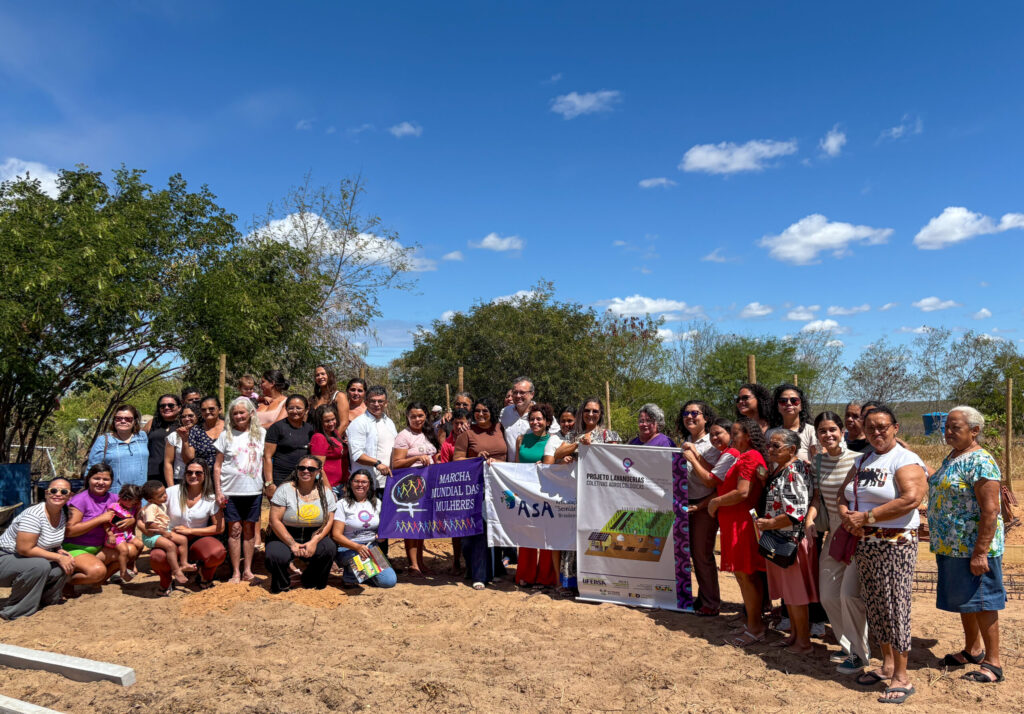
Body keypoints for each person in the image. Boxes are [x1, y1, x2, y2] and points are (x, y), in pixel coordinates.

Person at [838, 405, 926, 704]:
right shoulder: (864, 459)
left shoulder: (905, 458)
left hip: (895, 545)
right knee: (876, 605)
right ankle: (887, 664)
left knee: (895, 607)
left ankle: (902, 676)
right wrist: (848, 517)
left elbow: (912, 498)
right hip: (866, 544)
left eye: (883, 426)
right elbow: (843, 494)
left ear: (896, 428)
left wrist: (867, 517)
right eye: (871, 427)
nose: (877, 432)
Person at [928, 406, 1006, 683]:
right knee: (967, 602)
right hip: (953, 547)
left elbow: (990, 510)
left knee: (984, 602)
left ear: (975, 431)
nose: (948, 432)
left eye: (955, 428)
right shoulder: (954, 457)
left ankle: (993, 663)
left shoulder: (982, 461)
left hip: (974, 548)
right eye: (946, 427)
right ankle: (973, 650)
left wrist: (980, 552)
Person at [811, 410, 870, 674]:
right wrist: (810, 521)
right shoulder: (818, 462)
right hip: (834, 534)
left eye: (832, 429)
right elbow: (816, 499)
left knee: (849, 596)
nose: (828, 435)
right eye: (822, 431)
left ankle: (858, 653)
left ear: (842, 431)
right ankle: (849, 644)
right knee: (828, 595)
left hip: (856, 534)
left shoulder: (859, 460)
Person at [756, 429, 818, 654]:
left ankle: (803, 642)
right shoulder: (786, 468)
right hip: (783, 538)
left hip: (790, 539)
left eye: (775, 446)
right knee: (790, 595)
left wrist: (768, 524)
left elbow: (796, 513)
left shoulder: (793, 471)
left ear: (792, 449)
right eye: (769, 445)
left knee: (795, 594)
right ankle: (794, 635)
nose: (769, 449)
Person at [707, 418, 768, 645]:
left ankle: (755, 626)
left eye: (736, 433)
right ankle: (752, 622)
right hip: (736, 521)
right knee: (744, 576)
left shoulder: (751, 456)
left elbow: (743, 492)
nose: (732, 437)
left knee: (746, 575)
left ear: (748, 436)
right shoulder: (744, 456)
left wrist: (716, 502)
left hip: (742, 523)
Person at [0, 478, 74, 620]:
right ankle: (15, 611)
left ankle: (45, 602)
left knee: (61, 566)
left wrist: (59, 550)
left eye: (63, 491)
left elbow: (48, 538)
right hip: (5, 557)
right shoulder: (34, 515)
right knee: (40, 565)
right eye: (53, 490)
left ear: (69, 496)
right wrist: (58, 557)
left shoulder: (62, 513)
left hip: (22, 559)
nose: (58, 494)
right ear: (46, 493)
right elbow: (24, 549)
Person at [149, 459, 226, 591]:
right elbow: (149, 510)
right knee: (157, 556)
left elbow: (219, 527)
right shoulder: (171, 492)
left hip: (198, 540)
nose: (193, 476)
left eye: (198, 473)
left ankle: (204, 574)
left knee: (217, 552)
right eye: (189, 472)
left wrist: (190, 531)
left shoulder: (211, 497)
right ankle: (166, 579)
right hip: (172, 539)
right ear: (184, 474)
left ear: (205, 475)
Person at [455, 396, 508, 589]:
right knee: (478, 532)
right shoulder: (467, 434)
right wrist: (475, 459)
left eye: (485, 410)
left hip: (500, 486)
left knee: (496, 529)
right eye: (477, 411)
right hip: (476, 488)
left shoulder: (500, 429)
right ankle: (479, 574)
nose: (480, 414)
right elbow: (457, 459)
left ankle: (496, 570)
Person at [676, 400, 722, 617]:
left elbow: (713, 479)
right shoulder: (684, 441)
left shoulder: (712, 444)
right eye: (686, 413)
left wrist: (694, 456)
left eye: (695, 413)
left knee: (702, 554)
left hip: (704, 504)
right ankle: (703, 597)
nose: (690, 417)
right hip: (685, 504)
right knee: (692, 553)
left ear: (705, 418)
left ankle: (711, 603)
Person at [214, 397, 267, 583]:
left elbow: (267, 461)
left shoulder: (261, 434)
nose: (238, 416)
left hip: (253, 491)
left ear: (251, 413)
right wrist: (218, 491)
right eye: (235, 413)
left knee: (249, 530)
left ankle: (248, 570)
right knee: (234, 530)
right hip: (230, 491)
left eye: (242, 412)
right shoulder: (226, 435)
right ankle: (235, 571)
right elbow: (217, 466)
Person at [266, 456, 338, 593]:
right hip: (285, 534)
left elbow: (329, 521)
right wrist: (292, 543)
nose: (306, 471)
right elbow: (274, 520)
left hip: (314, 533)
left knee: (328, 549)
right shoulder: (285, 490)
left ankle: (310, 580)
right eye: (302, 468)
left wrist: (314, 541)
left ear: (318, 472)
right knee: (275, 554)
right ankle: (283, 583)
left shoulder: (326, 492)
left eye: (311, 469)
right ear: (297, 470)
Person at [391, 401, 441, 577]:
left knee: (421, 524)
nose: (417, 419)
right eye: (413, 416)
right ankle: (413, 564)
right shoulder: (403, 436)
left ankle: (420, 562)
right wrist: (416, 459)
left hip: (428, 483)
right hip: (411, 485)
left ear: (426, 415)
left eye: (420, 415)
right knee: (412, 523)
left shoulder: (429, 433)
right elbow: (396, 464)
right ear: (407, 417)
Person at [62, 464, 130, 592]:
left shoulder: (114, 498)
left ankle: (99, 580)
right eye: (96, 478)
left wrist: (131, 519)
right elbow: (69, 531)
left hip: (100, 547)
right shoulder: (80, 500)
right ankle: (67, 583)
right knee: (97, 571)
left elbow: (130, 511)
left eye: (105, 479)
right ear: (88, 479)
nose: (101, 482)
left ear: (111, 482)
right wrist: (100, 519)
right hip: (76, 548)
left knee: (130, 550)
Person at [513, 403, 559, 588]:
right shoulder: (520, 439)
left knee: (547, 536)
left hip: (546, 493)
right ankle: (526, 575)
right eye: (532, 419)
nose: (535, 422)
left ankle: (545, 578)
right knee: (527, 535)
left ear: (547, 421)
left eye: (539, 419)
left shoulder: (554, 441)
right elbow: (516, 466)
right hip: (525, 493)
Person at [332, 469, 397, 588]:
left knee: (389, 581)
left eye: (364, 482)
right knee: (357, 558)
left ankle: (360, 575)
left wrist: (381, 535)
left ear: (369, 484)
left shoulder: (377, 502)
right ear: (350, 483)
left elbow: (382, 528)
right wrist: (357, 547)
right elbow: (336, 535)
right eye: (356, 481)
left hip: (372, 547)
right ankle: (350, 577)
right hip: (348, 549)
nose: (360, 485)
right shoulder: (342, 504)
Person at [139, 480, 195, 589]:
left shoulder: (161, 504)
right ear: (150, 500)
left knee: (183, 539)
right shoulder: (151, 508)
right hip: (151, 536)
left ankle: (184, 563)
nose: (165, 496)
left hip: (162, 532)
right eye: (161, 496)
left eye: (164, 493)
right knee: (170, 546)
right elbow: (149, 526)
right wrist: (163, 532)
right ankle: (176, 571)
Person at [86, 404, 149, 492]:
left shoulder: (142, 436)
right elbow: (92, 469)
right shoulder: (104, 440)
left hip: (140, 493)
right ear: (114, 420)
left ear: (135, 421)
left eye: (128, 419)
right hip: (114, 494)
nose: (123, 421)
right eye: (118, 418)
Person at [500, 377, 560, 462]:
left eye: (522, 392)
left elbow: (558, 438)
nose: (518, 396)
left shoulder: (542, 414)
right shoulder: (505, 412)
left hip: (537, 469)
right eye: (515, 392)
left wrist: (548, 461)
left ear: (532, 394)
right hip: (511, 469)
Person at [264, 395, 315, 492]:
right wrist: (269, 483)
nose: (295, 411)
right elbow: (267, 457)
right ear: (286, 409)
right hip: (281, 479)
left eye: (298, 408)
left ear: (306, 410)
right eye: (291, 408)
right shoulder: (277, 428)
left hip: (304, 479)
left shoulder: (310, 429)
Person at [104, 484, 143, 582]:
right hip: (116, 534)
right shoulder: (113, 507)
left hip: (126, 534)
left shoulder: (133, 507)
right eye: (133, 503)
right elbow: (105, 522)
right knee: (124, 550)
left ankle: (130, 563)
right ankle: (123, 572)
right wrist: (110, 534)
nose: (134, 505)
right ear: (125, 499)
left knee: (140, 544)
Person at [769, 383, 816, 460]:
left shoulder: (812, 431)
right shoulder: (770, 434)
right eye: (783, 401)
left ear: (801, 406)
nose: (788, 403)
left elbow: (818, 464)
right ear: (777, 406)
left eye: (794, 401)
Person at [310, 405, 347, 496]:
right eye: (327, 421)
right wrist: (328, 490)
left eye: (333, 419)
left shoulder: (335, 433)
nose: (331, 423)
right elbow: (319, 468)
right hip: (330, 487)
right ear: (320, 422)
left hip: (342, 485)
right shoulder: (319, 437)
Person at [143, 394, 182, 480]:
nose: (166, 408)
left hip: (175, 474)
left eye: (171, 405)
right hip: (152, 473)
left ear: (179, 407)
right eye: (162, 406)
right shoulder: (152, 423)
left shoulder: (183, 424)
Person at [182, 396, 224, 468]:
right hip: (204, 476)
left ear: (219, 410)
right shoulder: (196, 430)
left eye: (211, 409)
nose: (207, 412)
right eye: (203, 410)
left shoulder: (229, 428)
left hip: (228, 476)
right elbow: (189, 459)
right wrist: (185, 440)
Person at [310, 364, 351, 436]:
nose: (320, 377)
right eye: (317, 375)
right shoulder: (313, 399)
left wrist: (332, 441)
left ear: (330, 375)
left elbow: (344, 423)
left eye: (323, 374)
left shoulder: (339, 396)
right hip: (314, 439)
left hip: (331, 442)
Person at [163, 404, 198, 486]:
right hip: (180, 479)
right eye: (183, 416)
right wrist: (171, 487)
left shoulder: (204, 434)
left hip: (202, 478)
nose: (187, 419)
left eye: (190, 415)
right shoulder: (174, 436)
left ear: (198, 416)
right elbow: (168, 463)